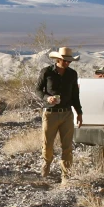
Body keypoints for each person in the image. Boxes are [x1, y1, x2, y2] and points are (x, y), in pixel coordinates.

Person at [35, 47, 83, 178]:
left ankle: (66, 175)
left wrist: (79, 113)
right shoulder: (46, 72)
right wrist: (47, 98)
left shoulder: (72, 74)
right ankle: (46, 167)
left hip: (67, 114)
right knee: (47, 144)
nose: (67, 63)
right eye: (65, 61)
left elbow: (75, 95)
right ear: (58, 59)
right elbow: (38, 90)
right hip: (50, 113)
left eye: (69, 61)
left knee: (67, 147)